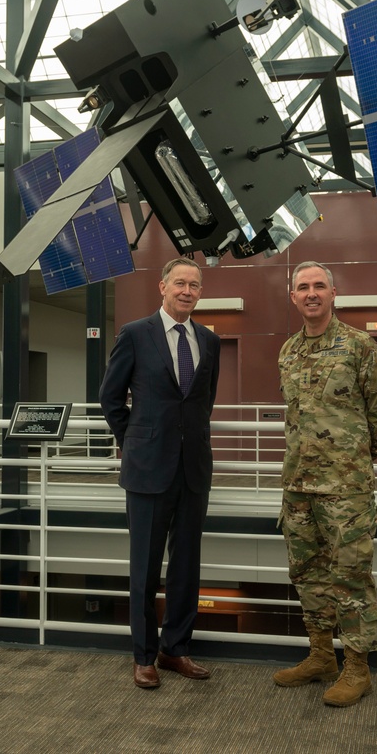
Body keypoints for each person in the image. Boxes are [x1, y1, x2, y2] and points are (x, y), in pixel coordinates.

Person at [274, 260, 377, 707]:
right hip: (298, 485)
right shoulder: (288, 350)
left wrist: (366, 458)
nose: (311, 293)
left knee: (351, 576)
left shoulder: (359, 345)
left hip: (346, 488)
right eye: (303, 287)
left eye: (319, 286)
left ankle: (358, 669)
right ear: (293, 296)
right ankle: (321, 655)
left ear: (333, 293)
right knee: (307, 573)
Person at [99, 257, 221, 689]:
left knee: (187, 567)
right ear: (162, 287)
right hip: (148, 469)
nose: (187, 291)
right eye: (180, 284)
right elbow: (110, 397)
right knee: (145, 568)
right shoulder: (135, 334)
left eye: (194, 285)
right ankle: (144, 656)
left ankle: (176, 649)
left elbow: (202, 403)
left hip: (193, 470)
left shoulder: (209, 340)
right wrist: (134, 439)